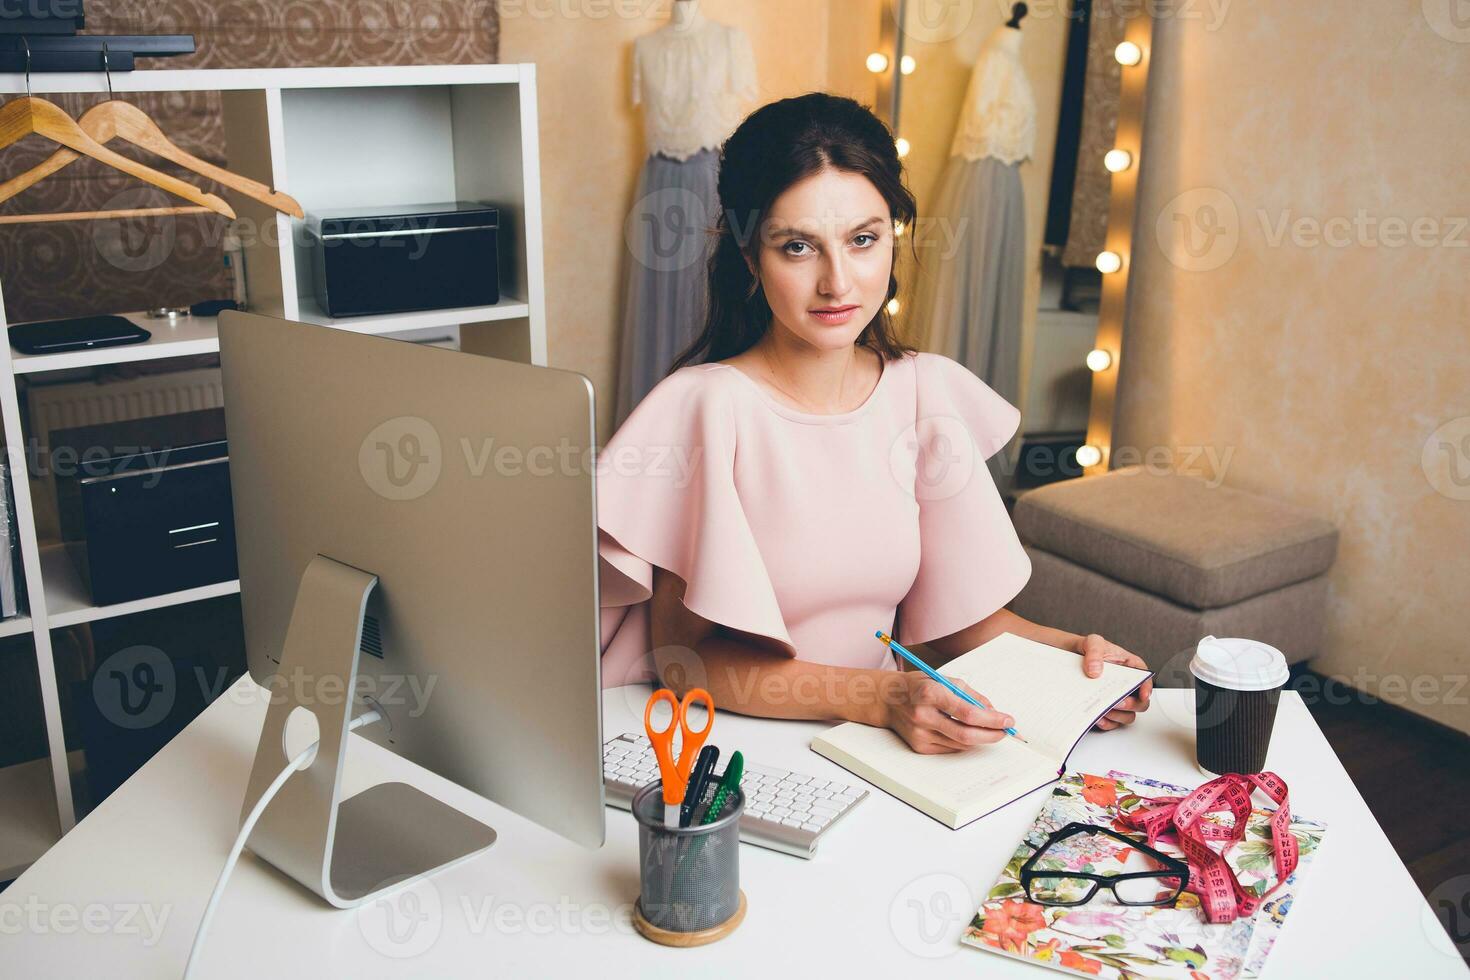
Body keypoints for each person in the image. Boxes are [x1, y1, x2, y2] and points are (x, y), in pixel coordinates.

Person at [597, 92, 1150, 754]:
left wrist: (1073, 655)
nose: (837, 283)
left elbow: (956, 624)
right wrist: (879, 698)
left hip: (879, 754)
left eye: (863, 240)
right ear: (749, 257)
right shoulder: (704, 409)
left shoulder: (924, 392)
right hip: (728, 753)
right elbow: (686, 661)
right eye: (798, 247)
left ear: (894, 236)